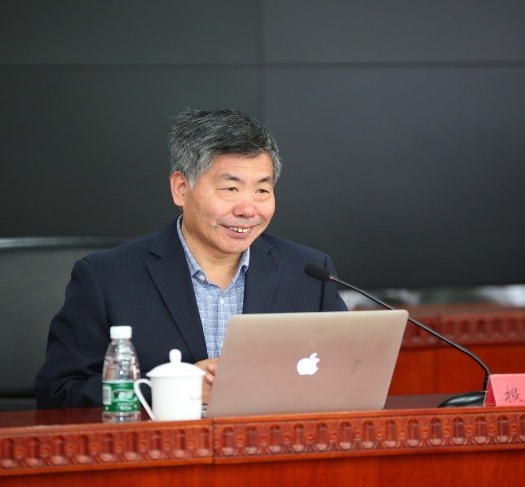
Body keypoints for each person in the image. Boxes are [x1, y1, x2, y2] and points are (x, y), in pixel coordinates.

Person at [34, 108, 348, 409]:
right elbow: (59, 393)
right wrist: (173, 389)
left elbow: (349, 378)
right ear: (181, 189)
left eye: (262, 191)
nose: (248, 209)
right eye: (230, 188)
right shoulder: (106, 277)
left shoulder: (309, 274)